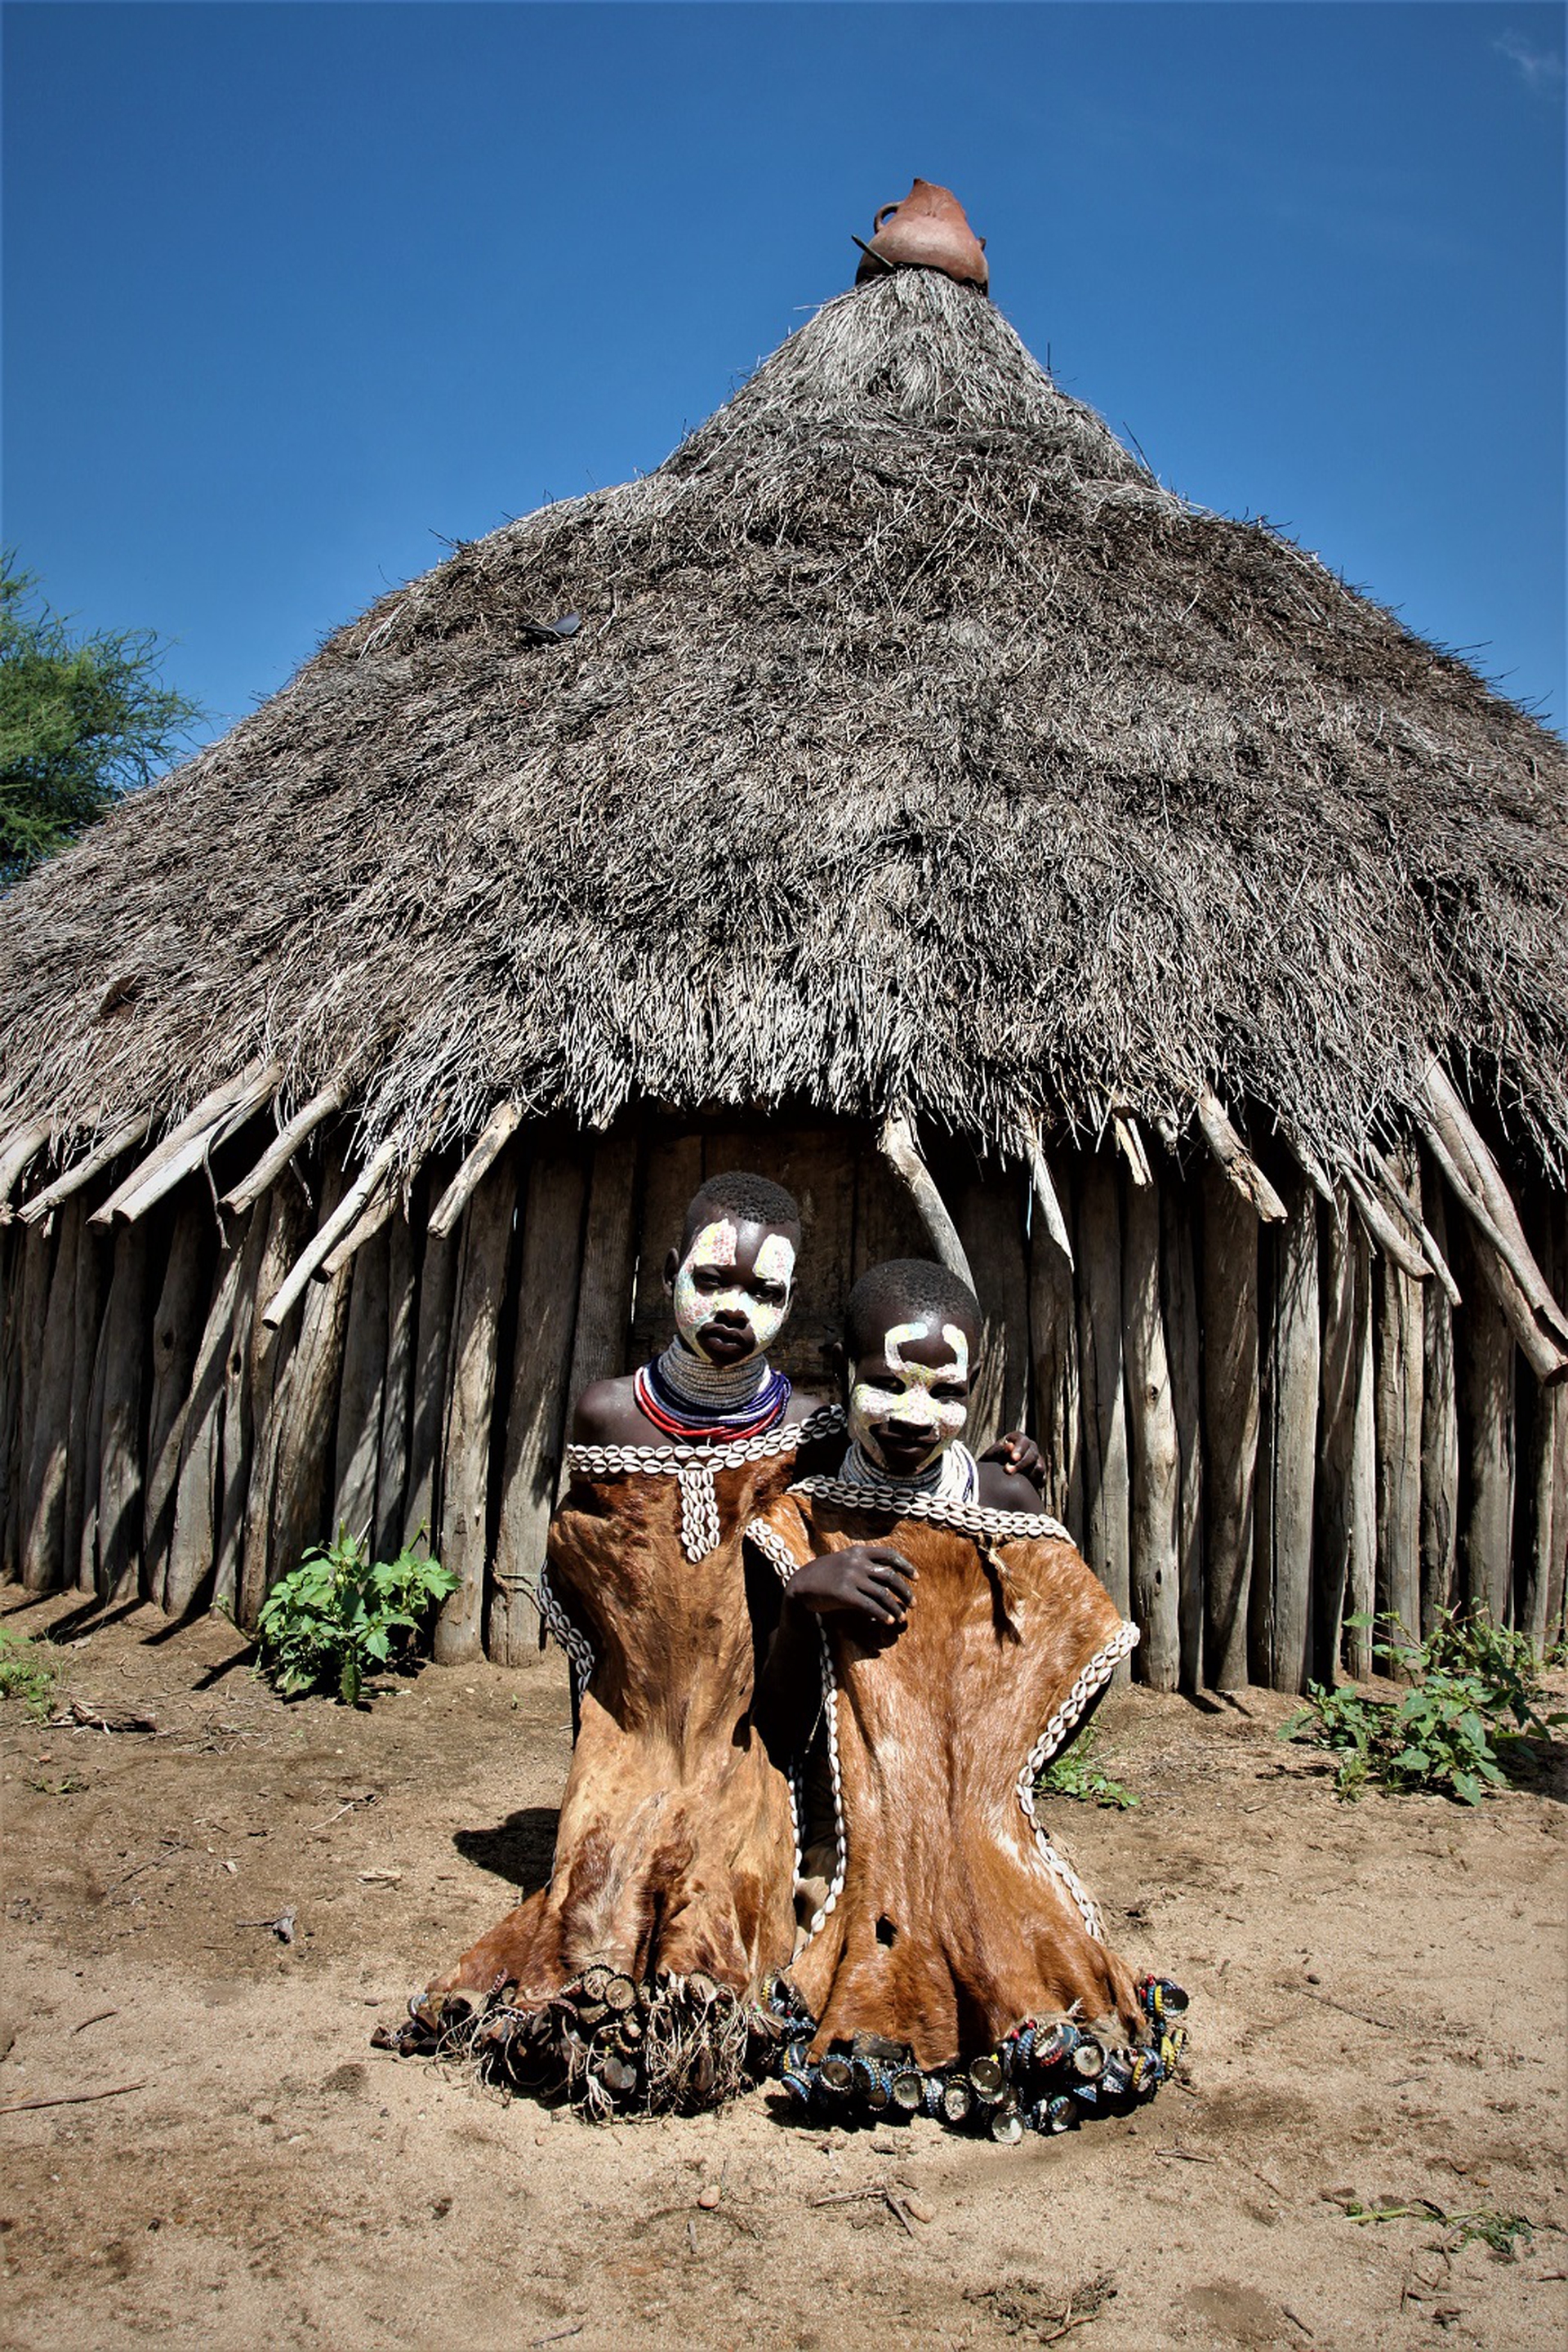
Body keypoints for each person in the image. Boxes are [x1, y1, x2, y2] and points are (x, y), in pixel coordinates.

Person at [746, 1258, 1183, 2137]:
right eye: (885, 1386)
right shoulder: (802, 1518)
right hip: (850, 1826)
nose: (914, 1416)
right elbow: (777, 1728)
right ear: (841, 1371)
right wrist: (802, 1599)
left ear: (978, 1386)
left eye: (945, 1391)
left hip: (976, 1821)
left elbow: (1071, 1656)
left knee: (1022, 1942)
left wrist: (992, 1774)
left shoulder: (1001, 1502)